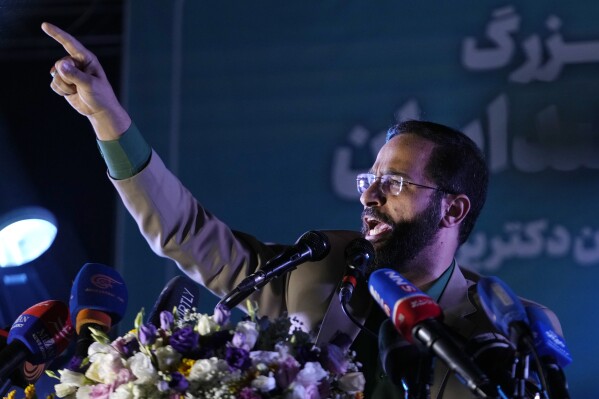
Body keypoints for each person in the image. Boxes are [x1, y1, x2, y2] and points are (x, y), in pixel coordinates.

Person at [42, 22, 565, 398]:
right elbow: (185, 231)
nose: (369, 195)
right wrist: (107, 118)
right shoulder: (316, 264)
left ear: (453, 210)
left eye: (395, 182)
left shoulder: (504, 329)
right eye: (371, 179)